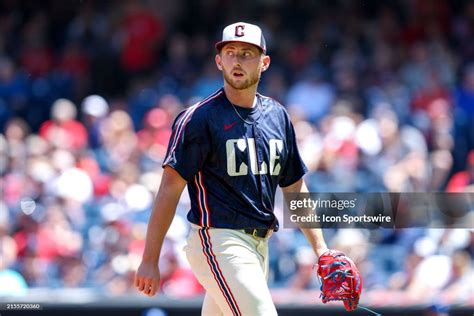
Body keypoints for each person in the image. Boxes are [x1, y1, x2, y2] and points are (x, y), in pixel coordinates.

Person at [135, 22, 328, 315]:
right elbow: (169, 189)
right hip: (218, 241)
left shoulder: (278, 116)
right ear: (219, 60)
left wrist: (321, 249)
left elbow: (294, 187)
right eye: (231, 52)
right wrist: (150, 259)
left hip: (260, 247)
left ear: (264, 63)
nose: (237, 60)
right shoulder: (199, 118)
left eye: (247, 53)